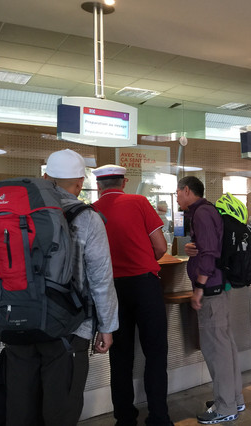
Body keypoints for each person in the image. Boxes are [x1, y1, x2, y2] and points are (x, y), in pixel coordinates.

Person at [5, 149, 119, 426]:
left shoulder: (16, 212)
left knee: (20, 407)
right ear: (80, 183)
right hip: (69, 328)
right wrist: (107, 326)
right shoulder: (87, 218)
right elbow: (100, 278)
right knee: (61, 409)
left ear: (45, 177)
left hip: (16, 320)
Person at [91, 164, 173, 426]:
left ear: (98, 186)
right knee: (156, 353)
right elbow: (160, 247)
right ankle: (159, 418)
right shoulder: (139, 202)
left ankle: (125, 419)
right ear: (124, 182)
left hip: (109, 289)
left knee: (120, 357)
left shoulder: (91, 210)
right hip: (144, 285)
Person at [176, 176, 244, 424]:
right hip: (217, 287)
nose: (176, 197)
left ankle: (225, 406)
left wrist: (199, 288)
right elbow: (208, 247)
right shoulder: (206, 211)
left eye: (177, 192)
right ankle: (233, 398)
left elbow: (210, 254)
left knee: (217, 350)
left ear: (187, 190)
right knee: (225, 347)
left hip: (211, 290)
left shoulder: (202, 213)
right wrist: (191, 249)